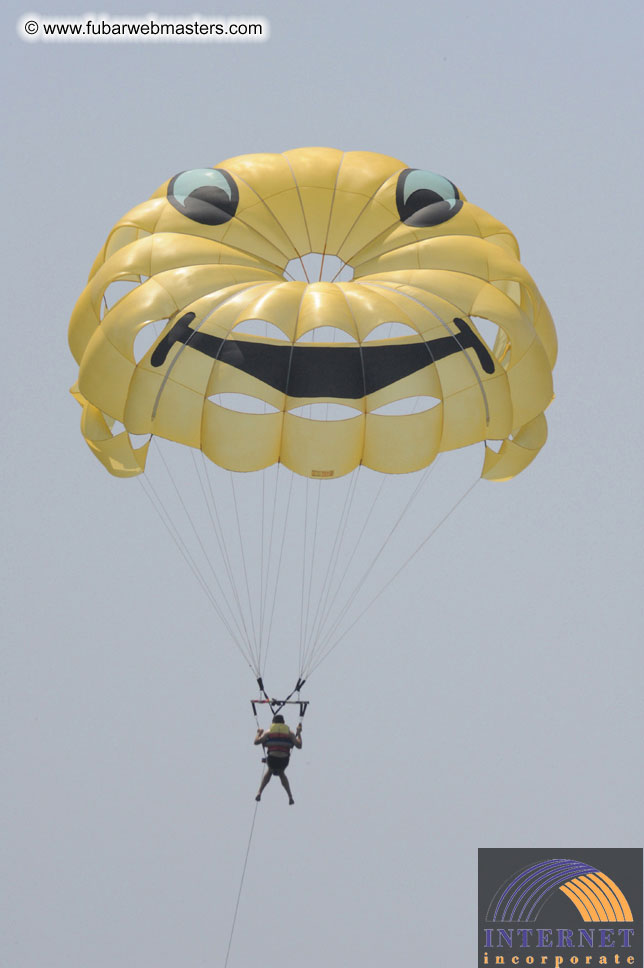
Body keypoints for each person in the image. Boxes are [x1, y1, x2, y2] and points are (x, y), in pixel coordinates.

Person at [254, 713, 302, 805]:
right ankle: (290, 796)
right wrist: (299, 733)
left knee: (269, 771)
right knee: (281, 773)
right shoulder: (290, 733)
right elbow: (299, 745)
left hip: (272, 760)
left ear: (273, 723)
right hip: (283, 761)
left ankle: (259, 792)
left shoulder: (268, 732)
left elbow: (256, 742)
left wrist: (259, 733)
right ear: (283, 723)